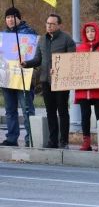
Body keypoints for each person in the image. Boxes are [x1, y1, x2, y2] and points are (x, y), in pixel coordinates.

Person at [21, 14, 76, 149]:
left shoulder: (67, 39)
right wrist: (26, 63)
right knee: (50, 112)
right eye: (47, 23)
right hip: (46, 81)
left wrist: (59, 69)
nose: (49, 26)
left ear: (59, 25)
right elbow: (38, 59)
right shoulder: (42, 40)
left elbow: (72, 61)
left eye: (52, 23)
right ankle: (53, 140)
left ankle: (64, 141)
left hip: (61, 81)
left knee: (62, 111)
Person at [1, 7, 37, 147]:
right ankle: (11, 137)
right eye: (7, 17)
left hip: (23, 77)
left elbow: (33, 52)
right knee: (10, 110)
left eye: (12, 17)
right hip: (7, 77)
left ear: (19, 18)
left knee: (27, 109)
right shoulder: (3, 35)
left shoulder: (28, 32)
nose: (10, 20)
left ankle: (31, 138)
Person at [74, 22, 99, 151]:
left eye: (92, 31)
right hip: (83, 90)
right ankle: (86, 142)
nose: (90, 34)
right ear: (84, 33)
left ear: (97, 32)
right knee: (85, 116)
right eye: (88, 31)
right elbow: (73, 67)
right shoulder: (79, 48)